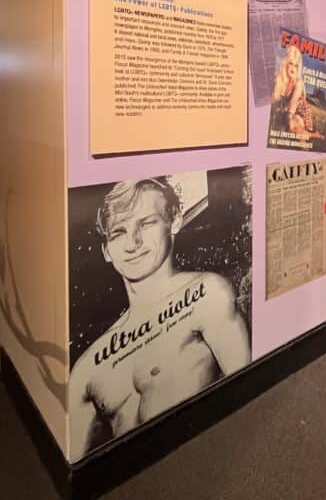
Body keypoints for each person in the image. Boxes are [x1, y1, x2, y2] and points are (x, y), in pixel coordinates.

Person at [69, 177, 250, 461]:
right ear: (106, 251)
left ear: (174, 221)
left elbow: (247, 394)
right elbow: (77, 464)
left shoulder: (207, 293)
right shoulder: (86, 370)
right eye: (118, 232)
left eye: (146, 223)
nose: (133, 243)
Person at [271, 45, 320, 140]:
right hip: (286, 111)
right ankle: (315, 135)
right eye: (291, 63)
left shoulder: (298, 83)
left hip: (300, 114)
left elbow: (291, 110)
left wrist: (286, 125)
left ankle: (314, 135)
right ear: (285, 63)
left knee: (293, 124)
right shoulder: (279, 79)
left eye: (296, 65)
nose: (293, 68)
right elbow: (274, 101)